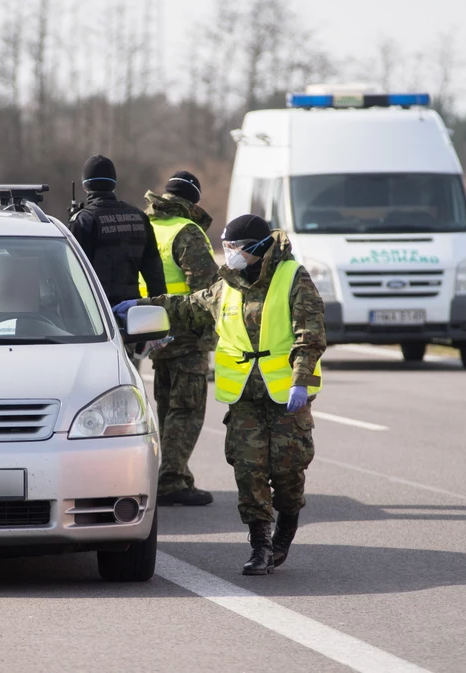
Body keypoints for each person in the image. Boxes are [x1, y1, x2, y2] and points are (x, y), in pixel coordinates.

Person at [114, 214, 325, 575]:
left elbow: (310, 333)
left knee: (288, 474)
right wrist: (143, 305)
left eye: (234, 248)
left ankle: (286, 525)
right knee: (249, 470)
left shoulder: (293, 278)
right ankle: (260, 545)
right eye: (225, 248)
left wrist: (300, 381)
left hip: (285, 393)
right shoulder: (225, 285)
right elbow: (189, 306)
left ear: (257, 248)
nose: (228, 255)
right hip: (243, 396)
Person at [139, 171, 219, 507]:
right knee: (186, 410)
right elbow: (208, 291)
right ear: (193, 201)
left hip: (150, 327)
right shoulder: (188, 232)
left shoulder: (148, 225)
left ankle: (176, 473)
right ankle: (171, 480)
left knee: (167, 406)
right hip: (186, 330)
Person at [68, 155, 167, 307]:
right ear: (114, 184)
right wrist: (159, 312)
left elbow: (71, 276)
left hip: (97, 315)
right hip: (133, 313)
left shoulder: (84, 220)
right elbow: (155, 274)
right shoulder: (139, 217)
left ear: (85, 186)